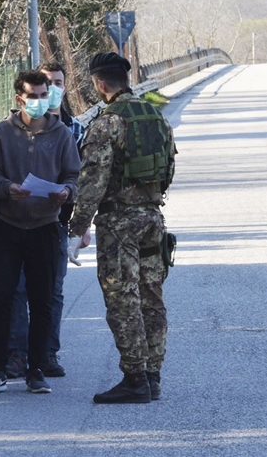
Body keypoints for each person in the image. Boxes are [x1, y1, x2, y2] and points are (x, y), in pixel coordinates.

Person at [68, 52, 176, 404]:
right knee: (152, 297)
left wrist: (76, 228)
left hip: (119, 224)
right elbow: (169, 166)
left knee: (122, 300)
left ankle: (134, 378)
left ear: (100, 84)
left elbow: (92, 181)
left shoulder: (108, 122)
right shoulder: (155, 116)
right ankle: (152, 375)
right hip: (153, 218)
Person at [0, 70, 80, 395]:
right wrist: (7, 188)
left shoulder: (61, 134)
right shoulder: (2, 133)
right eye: (33, 95)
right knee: (1, 298)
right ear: (19, 98)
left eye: (44, 94)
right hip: (8, 226)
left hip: (45, 227)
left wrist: (66, 192)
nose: (40, 101)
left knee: (43, 301)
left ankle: (36, 369)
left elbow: (74, 176)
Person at [5, 62, 89, 379]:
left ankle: (47, 353)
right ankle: (17, 354)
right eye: (44, 84)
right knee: (18, 290)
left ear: (64, 87)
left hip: (58, 224)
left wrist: (81, 226)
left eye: (56, 83)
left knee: (52, 292)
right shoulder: (9, 130)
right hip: (19, 222)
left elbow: (83, 179)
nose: (49, 90)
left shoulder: (75, 130)